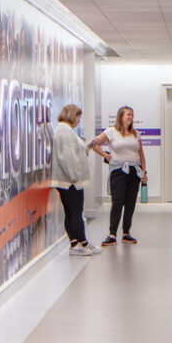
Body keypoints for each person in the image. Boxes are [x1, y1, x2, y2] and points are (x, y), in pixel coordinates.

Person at [89, 107, 146, 246]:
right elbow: (94, 144)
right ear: (121, 116)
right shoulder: (111, 131)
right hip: (119, 172)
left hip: (134, 171)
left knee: (131, 203)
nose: (130, 117)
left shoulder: (135, 134)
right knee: (117, 203)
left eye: (132, 115)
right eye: (128, 115)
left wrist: (144, 172)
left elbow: (141, 154)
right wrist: (105, 155)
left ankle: (126, 233)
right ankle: (112, 234)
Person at [51, 104, 96, 256]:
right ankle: (82, 243)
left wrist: (88, 146)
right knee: (76, 213)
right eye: (78, 117)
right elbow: (67, 157)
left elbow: (76, 151)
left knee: (71, 213)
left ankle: (75, 243)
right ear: (72, 115)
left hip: (66, 181)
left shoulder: (64, 130)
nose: (79, 121)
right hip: (70, 181)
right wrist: (75, 177)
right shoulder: (65, 131)